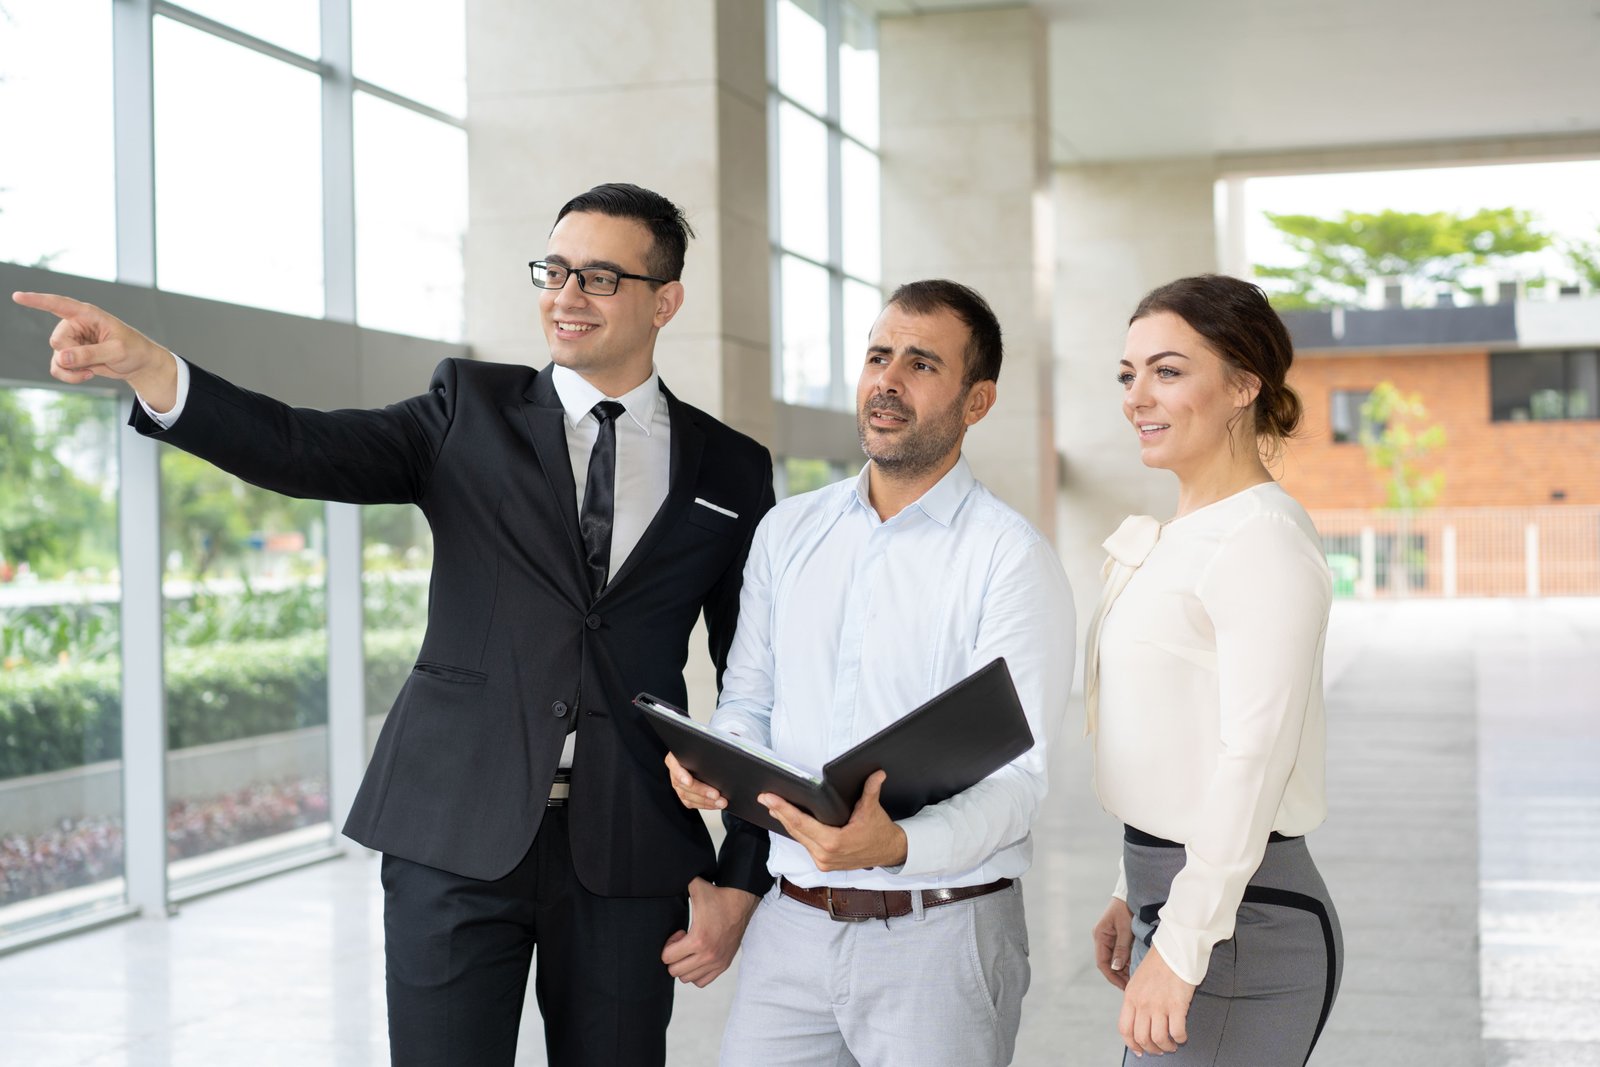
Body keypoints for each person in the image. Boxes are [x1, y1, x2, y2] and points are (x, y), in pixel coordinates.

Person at [13, 182, 776, 1067]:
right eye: (555, 269)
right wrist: (154, 370)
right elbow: (301, 445)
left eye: (599, 277)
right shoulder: (468, 410)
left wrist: (741, 878)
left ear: (664, 300)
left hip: (633, 848)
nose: (565, 296)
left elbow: (756, 678)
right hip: (452, 830)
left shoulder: (730, 466)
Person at [669, 280, 1075, 1066]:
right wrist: (715, 763)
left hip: (942, 934)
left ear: (977, 400)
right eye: (877, 356)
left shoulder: (1009, 559)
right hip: (789, 932)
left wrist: (895, 845)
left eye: (921, 364)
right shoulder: (788, 532)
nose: (887, 380)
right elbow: (747, 700)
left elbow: (1018, 783)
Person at [1083, 274, 1343, 1063]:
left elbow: (1252, 759)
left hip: (1241, 923)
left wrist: (1186, 940)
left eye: (1167, 370)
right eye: (1128, 375)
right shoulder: (1189, 532)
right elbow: (1173, 732)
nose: (1137, 396)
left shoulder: (1260, 539)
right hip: (1185, 896)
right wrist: (1134, 888)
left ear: (1242, 384)